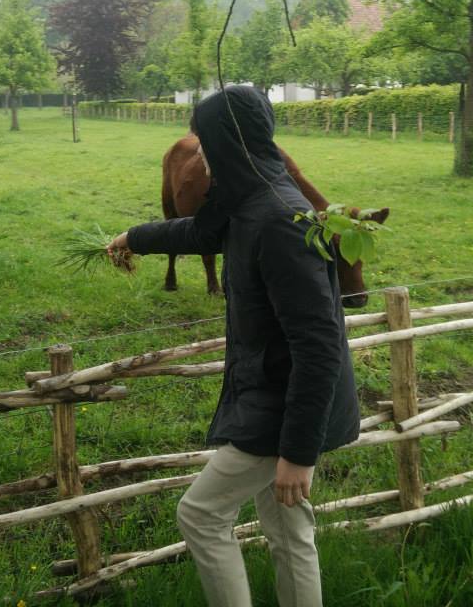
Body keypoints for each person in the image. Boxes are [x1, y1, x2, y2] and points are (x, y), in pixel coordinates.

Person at [107, 85, 359, 607]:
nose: (197, 156)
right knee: (290, 532)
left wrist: (297, 452)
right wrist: (135, 236)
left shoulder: (280, 221)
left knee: (200, 514)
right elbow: (201, 234)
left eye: (202, 144)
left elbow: (319, 345)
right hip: (274, 395)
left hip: (281, 407)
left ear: (227, 142)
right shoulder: (247, 201)